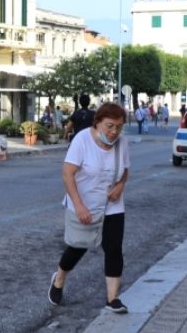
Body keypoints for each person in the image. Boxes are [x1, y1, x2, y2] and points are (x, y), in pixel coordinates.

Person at [48, 102, 131, 314]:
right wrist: (78, 205)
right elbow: (67, 173)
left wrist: (120, 186)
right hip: (84, 204)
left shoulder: (122, 143)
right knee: (78, 247)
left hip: (112, 206)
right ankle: (59, 278)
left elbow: (125, 171)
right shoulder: (82, 140)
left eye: (119, 127)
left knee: (114, 249)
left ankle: (112, 298)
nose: (114, 132)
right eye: (110, 126)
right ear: (98, 123)